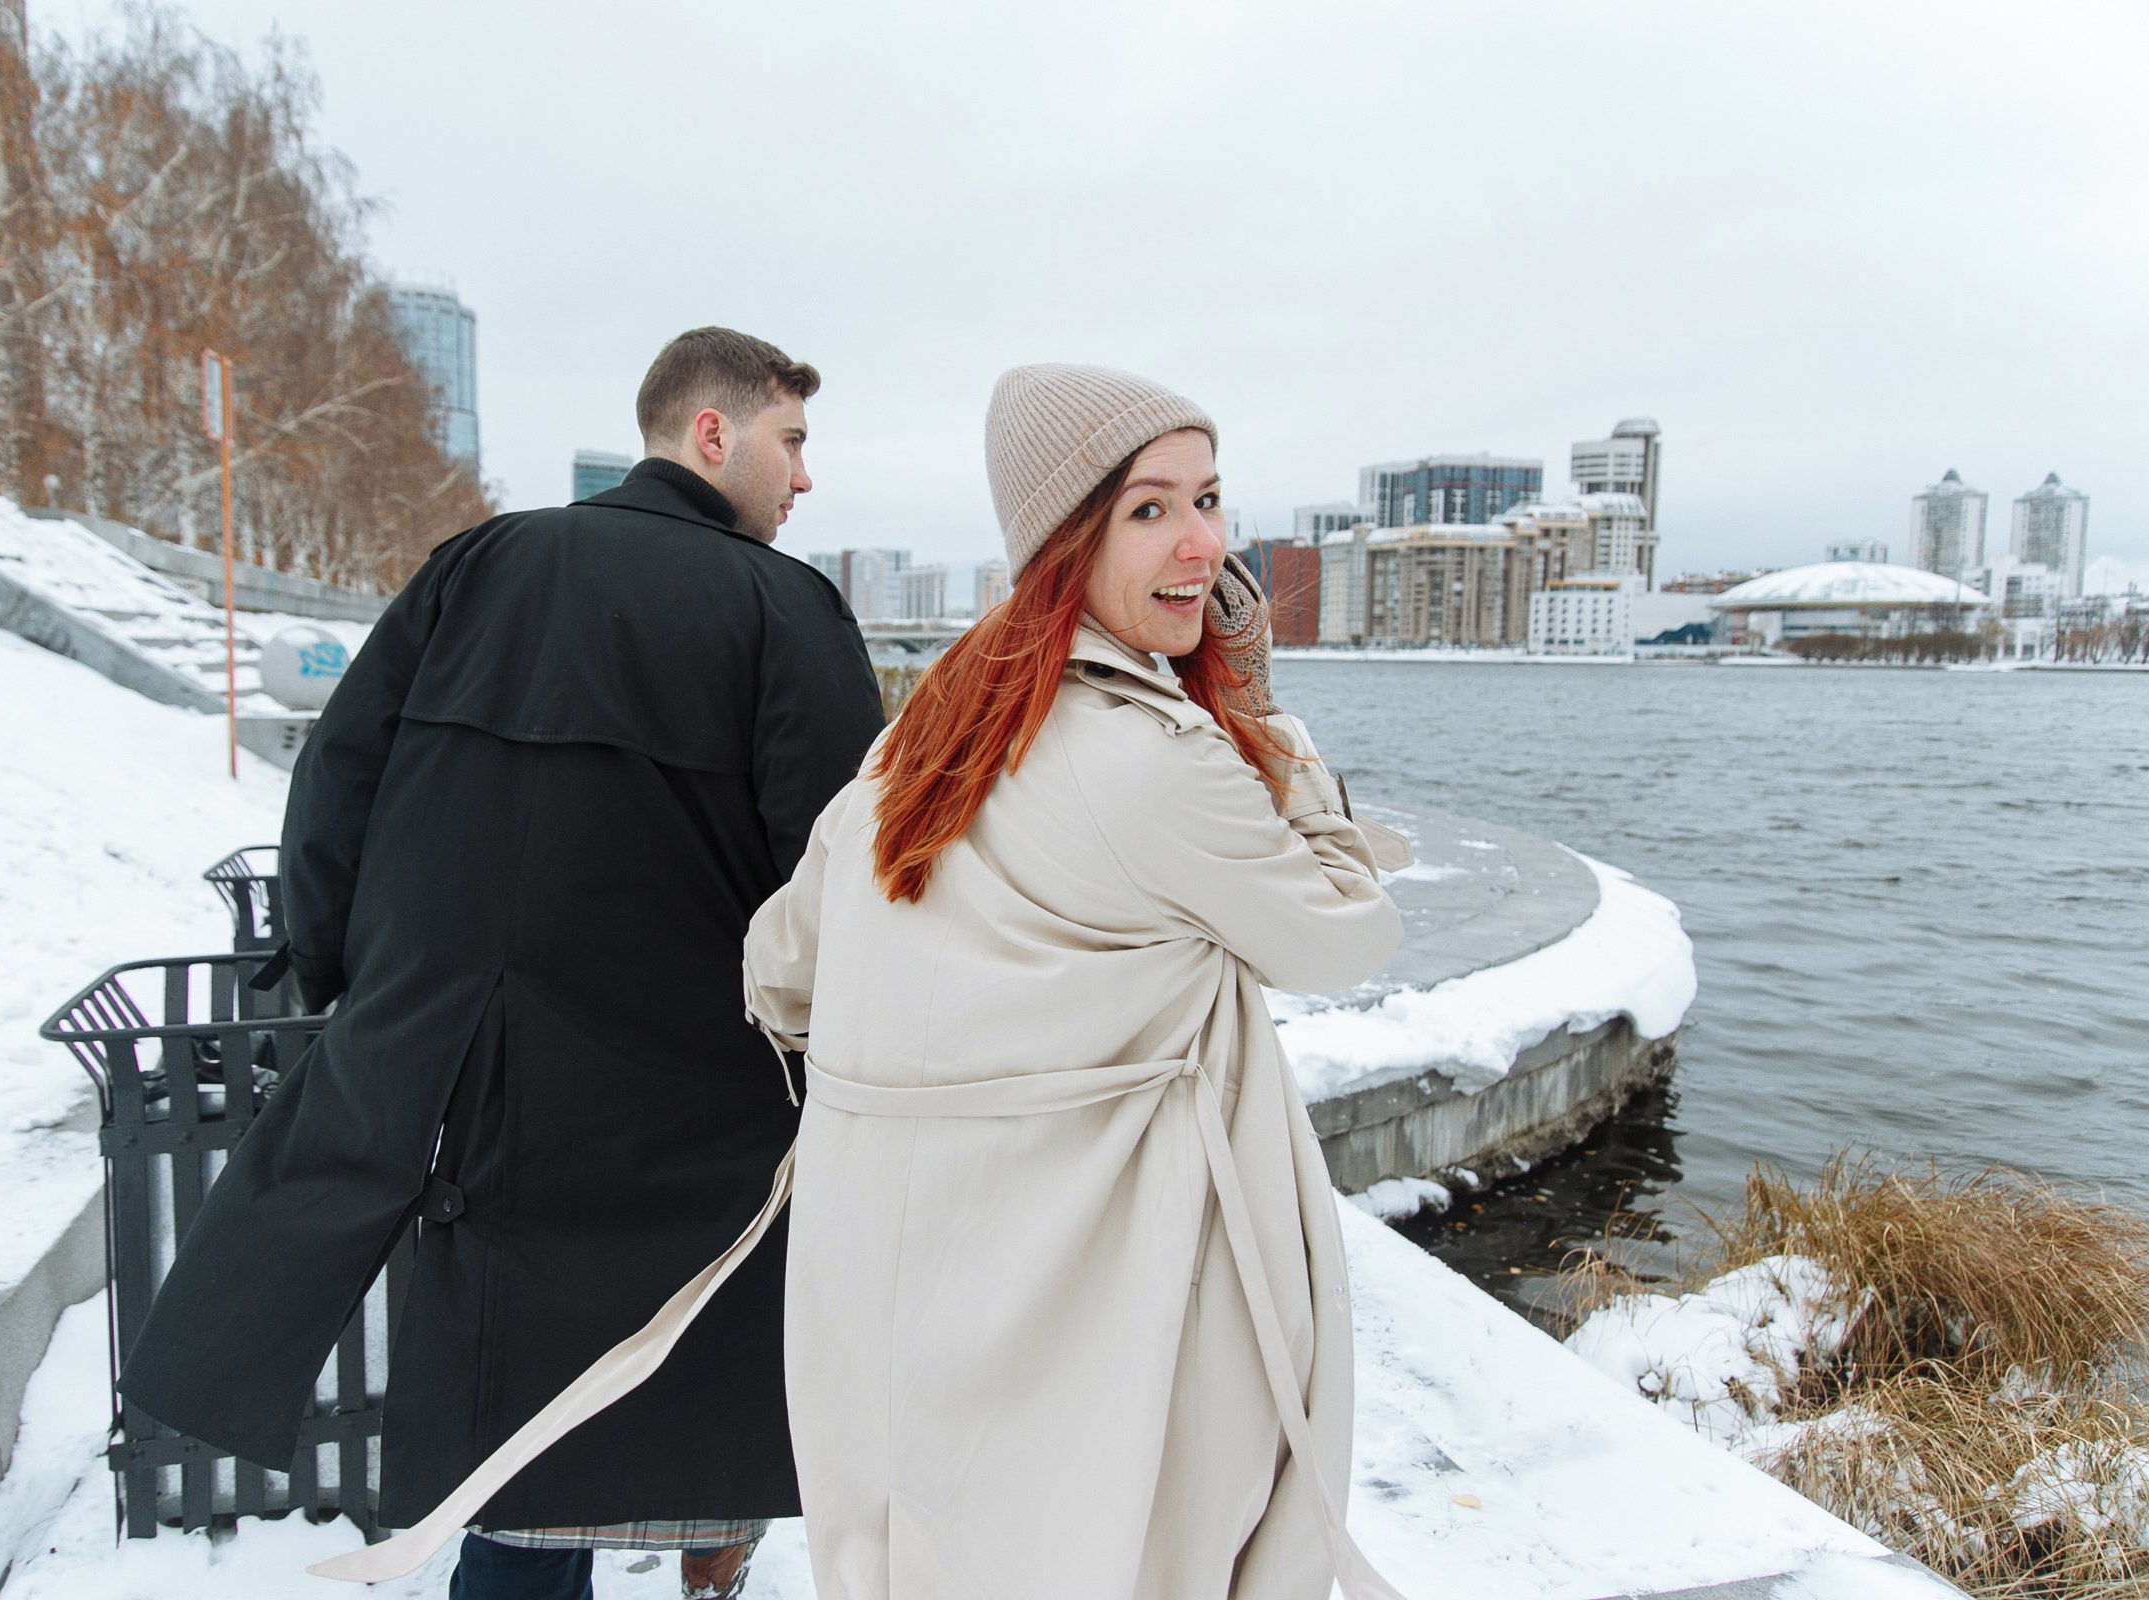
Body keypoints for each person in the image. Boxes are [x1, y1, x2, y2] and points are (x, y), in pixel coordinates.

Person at [118, 327, 885, 1600]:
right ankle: (715, 1563)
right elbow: (846, 872)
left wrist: (355, 987)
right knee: (697, 1412)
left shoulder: (477, 564)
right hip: (695, 1112)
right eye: (792, 443)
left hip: (480, 1095)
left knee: (512, 1467)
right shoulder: (782, 607)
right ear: (712, 431)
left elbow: (335, 788)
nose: (804, 479)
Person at [741, 365, 1413, 1599]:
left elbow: (779, 964)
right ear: (1066, 537)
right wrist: (1265, 716)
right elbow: (1344, 935)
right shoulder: (1160, 763)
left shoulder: (928, 733)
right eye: (1149, 509)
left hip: (898, 1303)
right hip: (1102, 1308)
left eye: (1209, 498)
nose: (1202, 542)